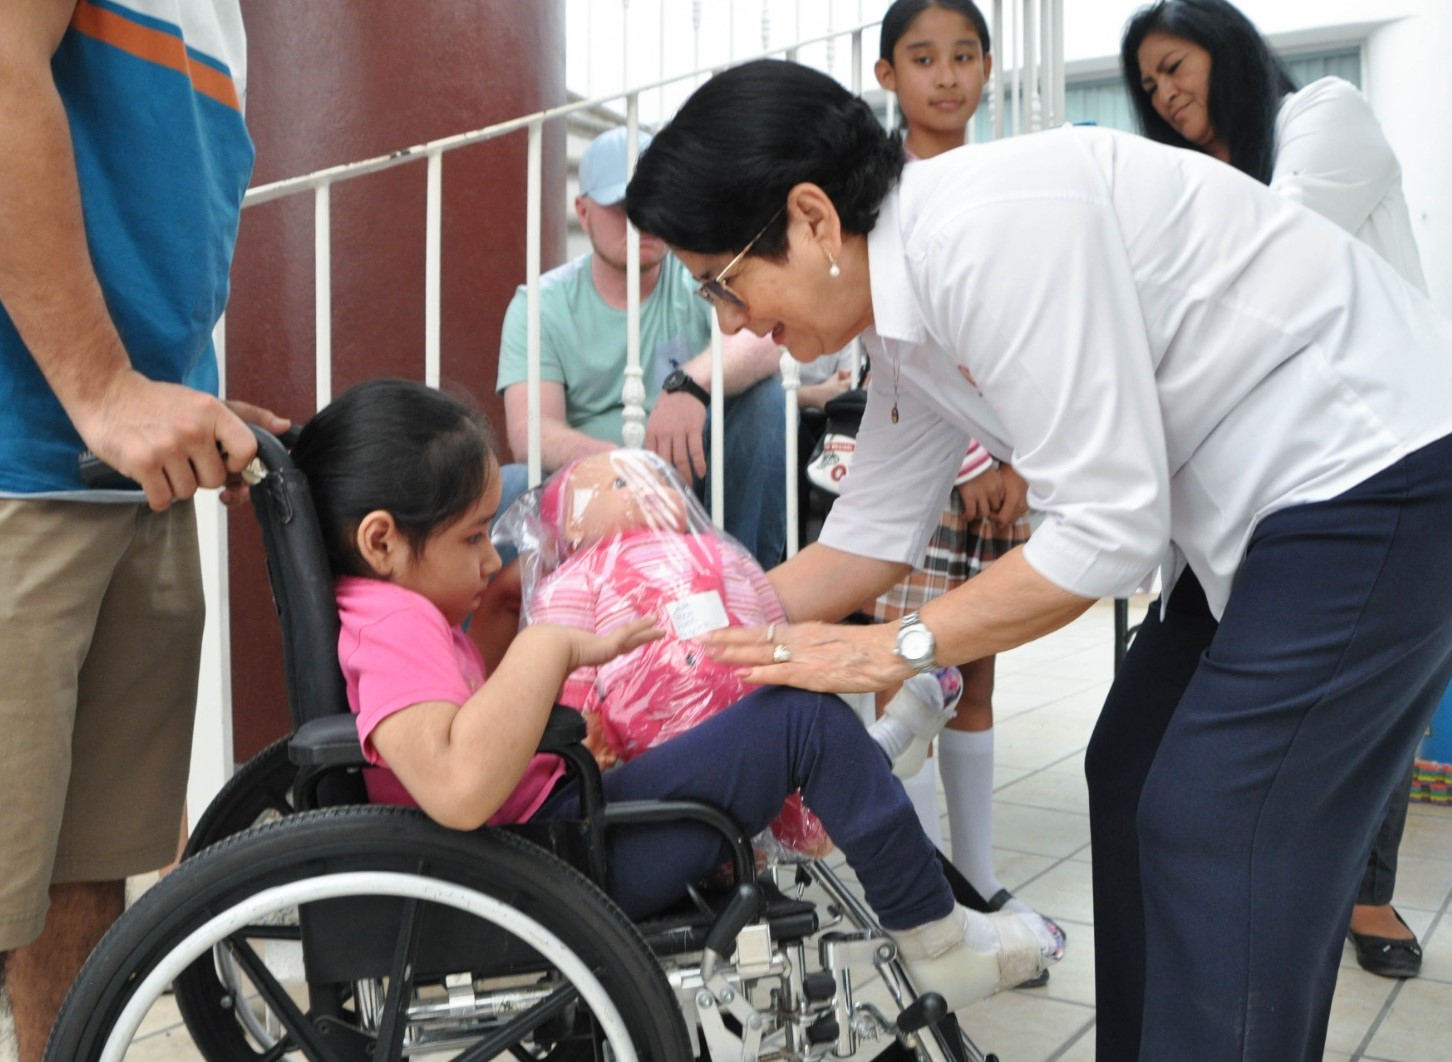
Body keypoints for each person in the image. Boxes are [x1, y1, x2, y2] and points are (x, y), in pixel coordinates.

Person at [623, 58, 1452, 1060]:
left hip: (1392, 465)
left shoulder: (988, 234)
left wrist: (891, 652)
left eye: (724, 281)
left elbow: (1107, 531)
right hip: (1274, 506)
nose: (730, 322)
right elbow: (864, 540)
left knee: (1219, 819)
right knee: (1133, 771)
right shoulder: (901, 311)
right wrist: (652, 647)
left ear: (811, 217)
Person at [290, 377, 1065, 1013]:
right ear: (382, 540)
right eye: (470, 537)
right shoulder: (392, 626)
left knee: (758, 713)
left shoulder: (385, 612)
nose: (490, 554)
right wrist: (546, 643)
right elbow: (458, 786)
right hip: (548, 860)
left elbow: (462, 736)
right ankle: (936, 942)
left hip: (546, 836)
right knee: (800, 721)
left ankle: (892, 799)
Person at [0, 3, 287, 1057]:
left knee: (86, 876)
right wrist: (102, 386)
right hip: (21, 457)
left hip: (117, 472)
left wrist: (178, 394)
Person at [1122, 0, 1428, 981]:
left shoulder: (1325, 116)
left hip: (1375, 456)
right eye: (1151, 85)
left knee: (1371, 701)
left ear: (1229, 51)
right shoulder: (1193, 182)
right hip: (1251, 485)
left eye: (1178, 68)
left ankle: (1365, 888)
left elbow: (1273, 268)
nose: (1167, 96)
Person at [869, 0, 1043, 930]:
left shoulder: (1002, 181)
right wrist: (978, 453)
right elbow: (899, 338)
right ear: (886, 72)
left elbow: (1020, 330)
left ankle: (975, 877)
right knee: (915, 682)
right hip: (924, 465)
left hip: (1004, 467)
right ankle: (928, 889)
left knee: (975, 675)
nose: (946, 75)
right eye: (923, 57)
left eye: (964, 55)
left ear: (986, 67)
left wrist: (1019, 457)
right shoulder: (883, 195)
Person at [497, 127, 788, 569]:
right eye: (623, 207)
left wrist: (689, 385)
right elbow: (531, 433)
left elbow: (767, 337)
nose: (645, 220)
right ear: (583, 210)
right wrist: (637, 469)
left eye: (656, 203)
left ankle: (746, 588)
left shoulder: (698, 270)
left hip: (698, 479)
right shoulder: (541, 303)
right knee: (510, 484)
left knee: (767, 403)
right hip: (592, 489)